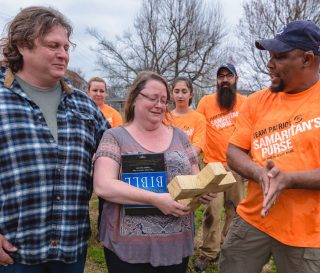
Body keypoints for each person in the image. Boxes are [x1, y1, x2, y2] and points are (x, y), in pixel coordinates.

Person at [0, 6, 109, 273]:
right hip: (14, 253)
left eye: (66, 47)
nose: (63, 54)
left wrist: (181, 178)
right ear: (23, 45)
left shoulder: (84, 105)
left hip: (71, 248)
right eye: (53, 46)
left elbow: (122, 155)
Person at [220, 20, 320, 273]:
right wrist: (259, 174)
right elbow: (234, 150)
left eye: (280, 57)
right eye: (270, 56)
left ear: (307, 60)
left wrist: (288, 179)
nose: (269, 64)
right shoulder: (256, 101)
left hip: (308, 232)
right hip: (254, 219)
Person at [93, 71, 215, 273]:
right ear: (134, 98)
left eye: (164, 100)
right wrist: (156, 199)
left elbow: (196, 177)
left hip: (175, 246)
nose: (159, 105)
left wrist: (203, 190)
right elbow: (103, 185)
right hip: (128, 250)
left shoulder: (181, 137)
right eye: (153, 98)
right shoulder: (114, 136)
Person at [194, 63, 247, 272]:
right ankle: (208, 253)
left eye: (229, 75)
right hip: (213, 166)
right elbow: (198, 129)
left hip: (237, 166)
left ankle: (228, 248)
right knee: (212, 211)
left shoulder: (245, 103)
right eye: (220, 76)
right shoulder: (206, 102)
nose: (224, 79)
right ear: (216, 80)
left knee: (235, 210)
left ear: (236, 79)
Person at [164, 76, 206, 155]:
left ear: (191, 95)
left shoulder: (199, 118)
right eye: (176, 91)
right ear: (172, 94)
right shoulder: (165, 118)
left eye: (184, 91)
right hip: (168, 165)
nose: (180, 96)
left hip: (191, 164)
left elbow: (197, 148)